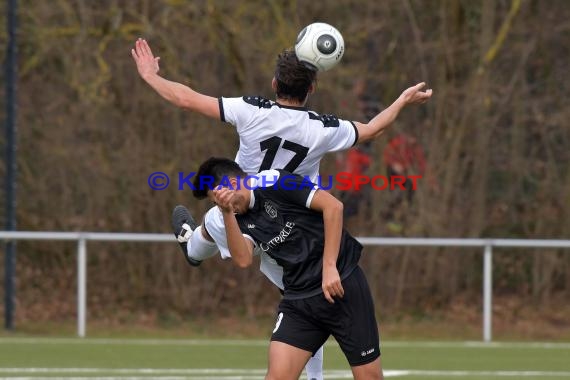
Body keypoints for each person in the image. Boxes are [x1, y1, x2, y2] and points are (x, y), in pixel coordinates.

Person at [131, 37, 432, 266]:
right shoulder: (323, 129)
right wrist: (402, 100)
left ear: (274, 83)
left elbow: (186, 99)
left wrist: (150, 76)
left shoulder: (250, 111)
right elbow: (373, 129)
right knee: (304, 303)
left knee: (213, 223)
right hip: (291, 225)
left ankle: (192, 246)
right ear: (311, 89)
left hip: (244, 213)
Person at [190, 157, 384, 380]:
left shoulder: (277, 182)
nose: (220, 205)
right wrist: (225, 213)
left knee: (369, 376)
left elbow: (333, 207)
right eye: (216, 203)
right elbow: (243, 259)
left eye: (217, 199)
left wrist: (330, 267)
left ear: (232, 184)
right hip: (299, 301)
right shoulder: (234, 216)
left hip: (342, 287)